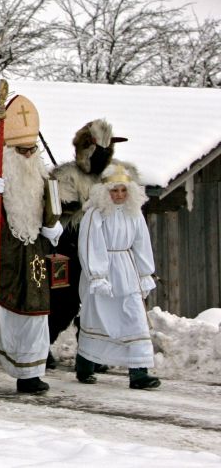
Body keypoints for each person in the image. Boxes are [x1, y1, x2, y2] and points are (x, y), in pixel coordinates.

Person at [0, 94, 62, 395]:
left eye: (32, 149)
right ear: (9, 147)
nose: (29, 154)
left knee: (35, 310)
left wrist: (51, 228)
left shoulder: (41, 171)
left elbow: (48, 209)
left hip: (31, 250)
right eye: (22, 149)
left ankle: (28, 374)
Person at [48, 119, 138, 368]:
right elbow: (53, 208)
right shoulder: (66, 176)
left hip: (101, 249)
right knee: (63, 303)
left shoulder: (114, 175)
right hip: (68, 248)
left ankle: (91, 354)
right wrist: (70, 206)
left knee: (96, 303)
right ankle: (41, 344)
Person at [75, 164, 161, 390]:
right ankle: (85, 364)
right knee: (97, 318)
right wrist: (97, 276)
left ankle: (139, 373)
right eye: (115, 191)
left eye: (123, 190)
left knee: (135, 317)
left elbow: (142, 243)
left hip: (127, 270)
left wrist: (144, 273)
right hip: (103, 271)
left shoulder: (134, 213)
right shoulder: (95, 214)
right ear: (105, 192)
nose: (119, 195)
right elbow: (89, 245)